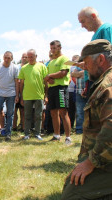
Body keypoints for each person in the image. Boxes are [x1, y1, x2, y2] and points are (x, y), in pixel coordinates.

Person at [61, 39, 112, 200]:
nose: (84, 66)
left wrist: (90, 163)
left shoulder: (108, 87)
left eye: (86, 62)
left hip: (105, 159)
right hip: (103, 156)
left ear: (101, 60)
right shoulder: (102, 80)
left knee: (73, 195)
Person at [78, 7, 112, 100]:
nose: (82, 26)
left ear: (93, 16)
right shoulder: (95, 34)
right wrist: (88, 84)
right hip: (94, 82)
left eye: (83, 21)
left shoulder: (106, 29)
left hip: (103, 82)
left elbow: (109, 57)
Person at [44, 40, 72, 145]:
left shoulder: (64, 58)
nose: (52, 50)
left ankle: (68, 137)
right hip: (52, 89)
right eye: (51, 48)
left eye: (54, 48)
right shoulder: (50, 62)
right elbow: (46, 76)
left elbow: (63, 73)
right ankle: (56, 135)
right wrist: (48, 79)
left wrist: (50, 76)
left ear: (60, 47)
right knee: (53, 113)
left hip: (61, 88)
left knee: (63, 112)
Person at [18, 49, 47, 140]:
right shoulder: (24, 68)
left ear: (36, 56)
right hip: (27, 96)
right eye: (28, 57)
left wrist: (46, 96)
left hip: (39, 95)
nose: (30, 58)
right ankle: (27, 134)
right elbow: (21, 84)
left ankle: (37, 133)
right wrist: (21, 97)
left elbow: (46, 82)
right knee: (27, 116)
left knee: (38, 115)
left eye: (31, 56)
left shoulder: (42, 66)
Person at [70, 55, 86, 134]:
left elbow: (87, 74)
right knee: (79, 112)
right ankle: (79, 130)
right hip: (78, 91)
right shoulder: (78, 67)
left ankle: (88, 129)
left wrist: (80, 73)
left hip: (87, 91)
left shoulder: (89, 66)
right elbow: (73, 74)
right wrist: (82, 73)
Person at [13, 52, 27, 132]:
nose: (24, 58)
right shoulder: (17, 67)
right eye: (23, 57)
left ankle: (23, 127)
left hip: (24, 92)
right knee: (14, 111)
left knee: (23, 111)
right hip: (15, 92)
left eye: (26, 57)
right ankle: (14, 127)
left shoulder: (28, 67)